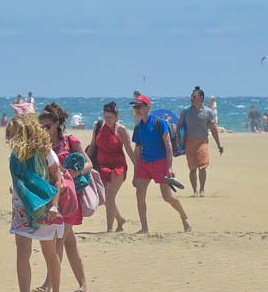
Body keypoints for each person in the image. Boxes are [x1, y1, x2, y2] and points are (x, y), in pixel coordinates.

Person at [6, 114, 64, 292]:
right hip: (21, 207)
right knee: (22, 251)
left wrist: (55, 205)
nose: (12, 137)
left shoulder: (46, 153)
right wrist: (15, 189)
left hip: (44, 206)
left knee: (49, 252)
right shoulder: (14, 155)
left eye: (14, 133)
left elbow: (58, 180)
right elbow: (20, 180)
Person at [36, 103, 91, 292]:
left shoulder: (70, 142)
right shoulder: (43, 146)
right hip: (52, 199)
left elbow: (89, 164)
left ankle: (48, 284)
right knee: (69, 243)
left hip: (71, 199)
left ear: (57, 124)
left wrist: (72, 173)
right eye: (41, 128)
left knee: (58, 238)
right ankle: (83, 285)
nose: (44, 131)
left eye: (47, 127)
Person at [131, 95, 191, 232]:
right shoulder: (138, 127)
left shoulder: (159, 122)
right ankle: (144, 228)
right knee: (139, 195)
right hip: (144, 164)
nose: (137, 110)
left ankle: (184, 216)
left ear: (148, 107)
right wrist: (135, 174)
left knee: (167, 197)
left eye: (139, 107)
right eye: (135, 107)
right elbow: (137, 150)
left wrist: (169, 167)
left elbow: (168, 145)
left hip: (160, 163)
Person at [89, 101, 135, 232]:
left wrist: (138, 168)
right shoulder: (98, 126)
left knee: (109, 197)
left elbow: (129, 151)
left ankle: (109, 229)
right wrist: (85, 162)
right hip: (102, 166)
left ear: (116, 116)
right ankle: (120, 220)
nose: (107, 120)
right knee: (105, 198)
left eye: (110, 117)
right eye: (105, 117)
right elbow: (93, 146)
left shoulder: (121, 130)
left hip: (117, 167)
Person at [179, 87, 224, 197]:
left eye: (194, 96)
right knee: (192, 168)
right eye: (191, 96)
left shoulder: (208, 112)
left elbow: (213, 129)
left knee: (203, 166)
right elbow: (180, 126)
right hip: (189, 142)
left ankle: (202, 189)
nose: (191, 98)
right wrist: (179, 141)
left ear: (201, 98)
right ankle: (195, 190)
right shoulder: (185, 111)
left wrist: (219, 144)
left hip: (203, 142)